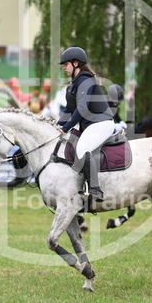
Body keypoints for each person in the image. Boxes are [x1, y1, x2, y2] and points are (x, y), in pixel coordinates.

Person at [57, 47, 114, 201]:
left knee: (82, 148)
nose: (64, 68)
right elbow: (69, 110)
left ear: (75, 63)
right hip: (91, 126)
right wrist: (56, 126)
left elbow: (82, 108)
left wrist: (65, 128)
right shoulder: (74, 84)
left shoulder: (86, 81)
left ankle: (95, 189)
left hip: (102, 123)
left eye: (65, 64)